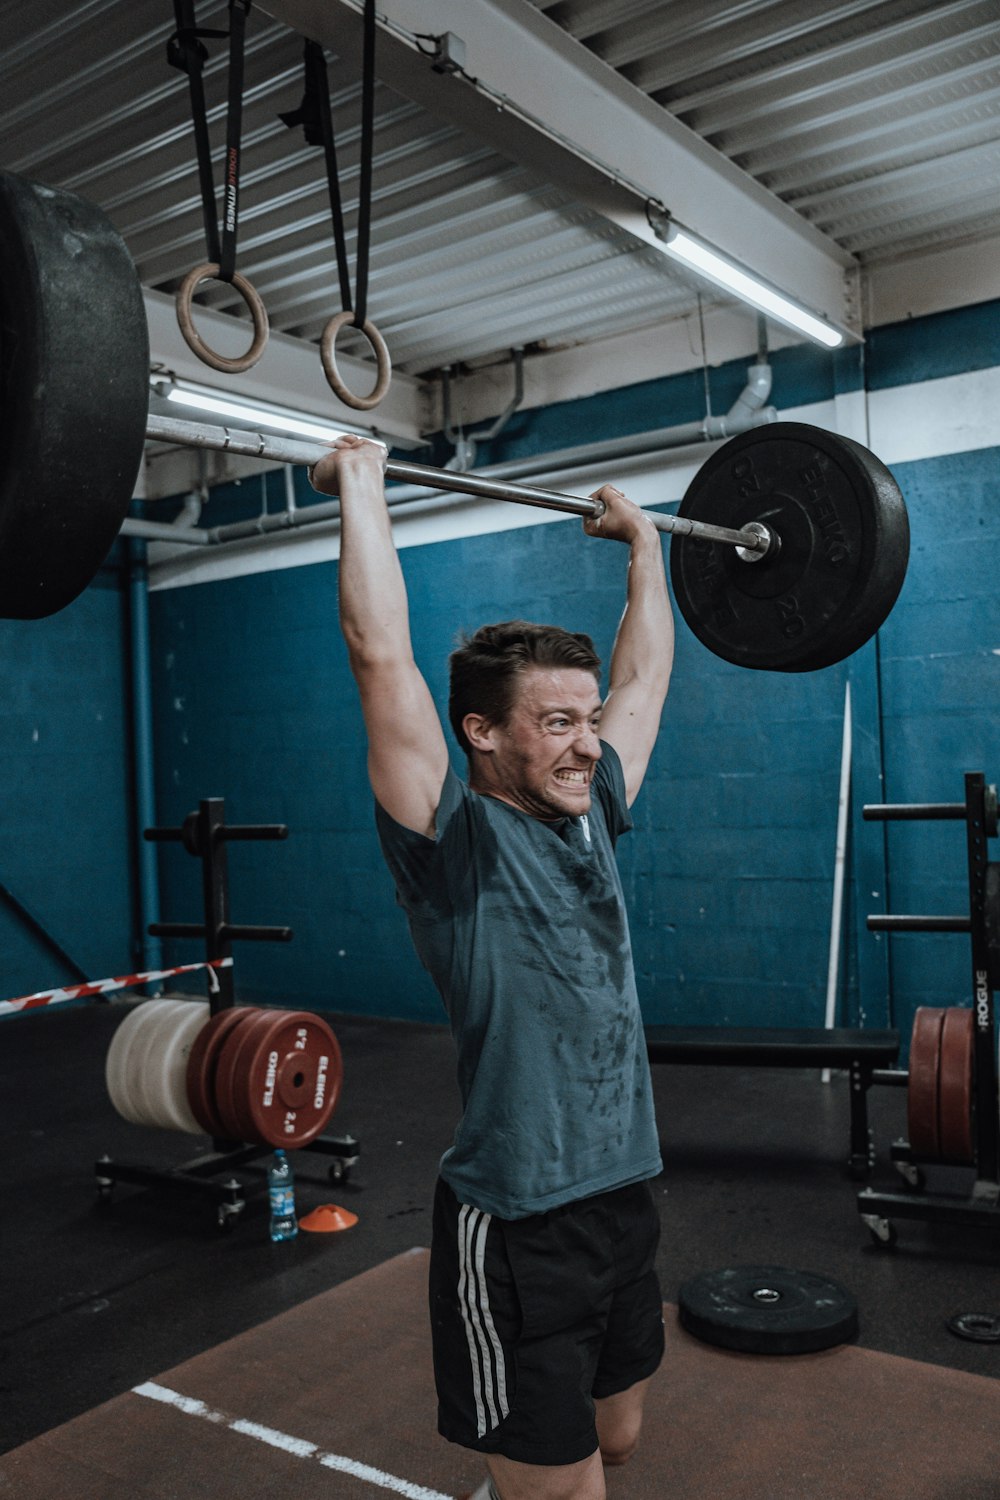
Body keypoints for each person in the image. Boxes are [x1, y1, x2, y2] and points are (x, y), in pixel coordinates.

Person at [309, 434, 674, 1500]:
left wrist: (644, 548)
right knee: (561, 1485)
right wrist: (361, 485)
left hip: (625, 1193)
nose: (585, 742)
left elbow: (646, 676)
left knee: (620, 1438)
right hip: (515, 1222)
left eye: (587, 719)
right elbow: (381, 657)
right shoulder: (449, 840)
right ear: (478, 732)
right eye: (556, 722)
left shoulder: (597, 801)